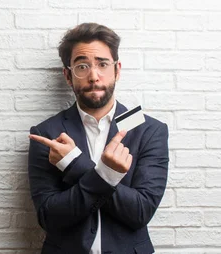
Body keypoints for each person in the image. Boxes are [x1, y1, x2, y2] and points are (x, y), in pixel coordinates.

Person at [27, 23, 169, 254]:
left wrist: (74, 163)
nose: (94, 76)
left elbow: (140, 212)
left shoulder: (150, 129)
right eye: (82, 66)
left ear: (117, 70)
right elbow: (49, 218)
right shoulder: (46, 134)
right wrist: (107, 175)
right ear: (68, 75)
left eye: (102, 64)